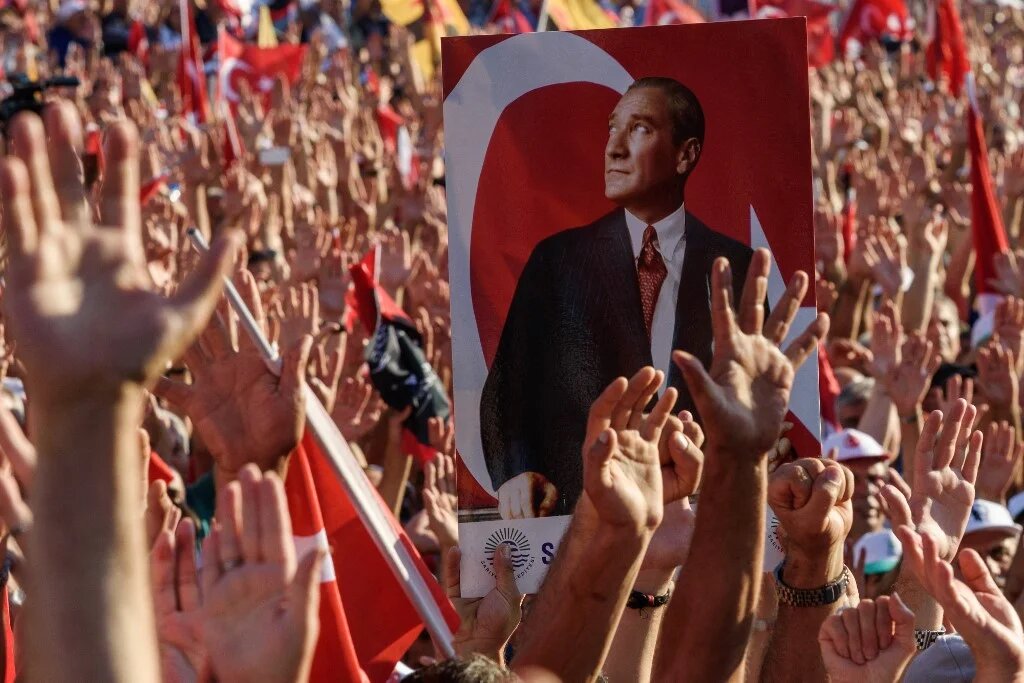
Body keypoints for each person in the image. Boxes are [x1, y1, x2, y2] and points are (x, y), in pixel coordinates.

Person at [479, 77, 756, 518]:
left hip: (697, 533)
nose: (614, 148)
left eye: (640, 129)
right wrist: (517, 472)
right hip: (578, 527)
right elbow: (508, 392)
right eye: (613, 128)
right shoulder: (557, 261)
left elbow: (757, 403)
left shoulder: (737, 267)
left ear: (686, 155)